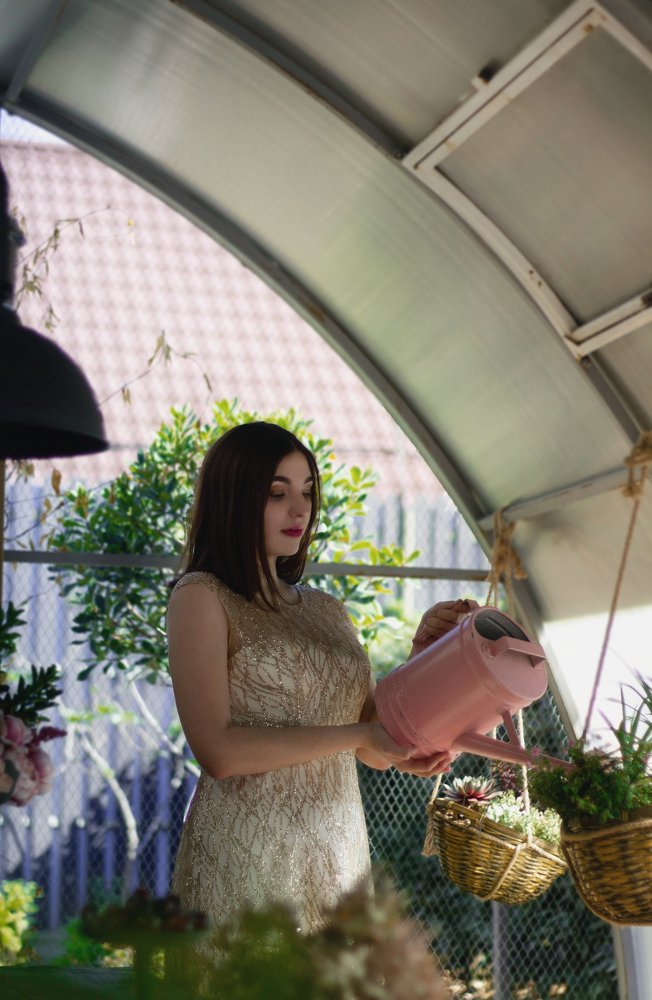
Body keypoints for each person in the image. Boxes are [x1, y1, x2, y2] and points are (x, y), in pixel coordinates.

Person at [167, 421, 475, 947]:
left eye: (307, 492)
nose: (299, 510)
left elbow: (375, 745)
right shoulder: (200, 596)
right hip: (245, 866)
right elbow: (218, 752)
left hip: (337, 863)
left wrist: (423, 652)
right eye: (277, 493)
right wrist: (361, 737)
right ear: (232, 497)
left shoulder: (328, 610)